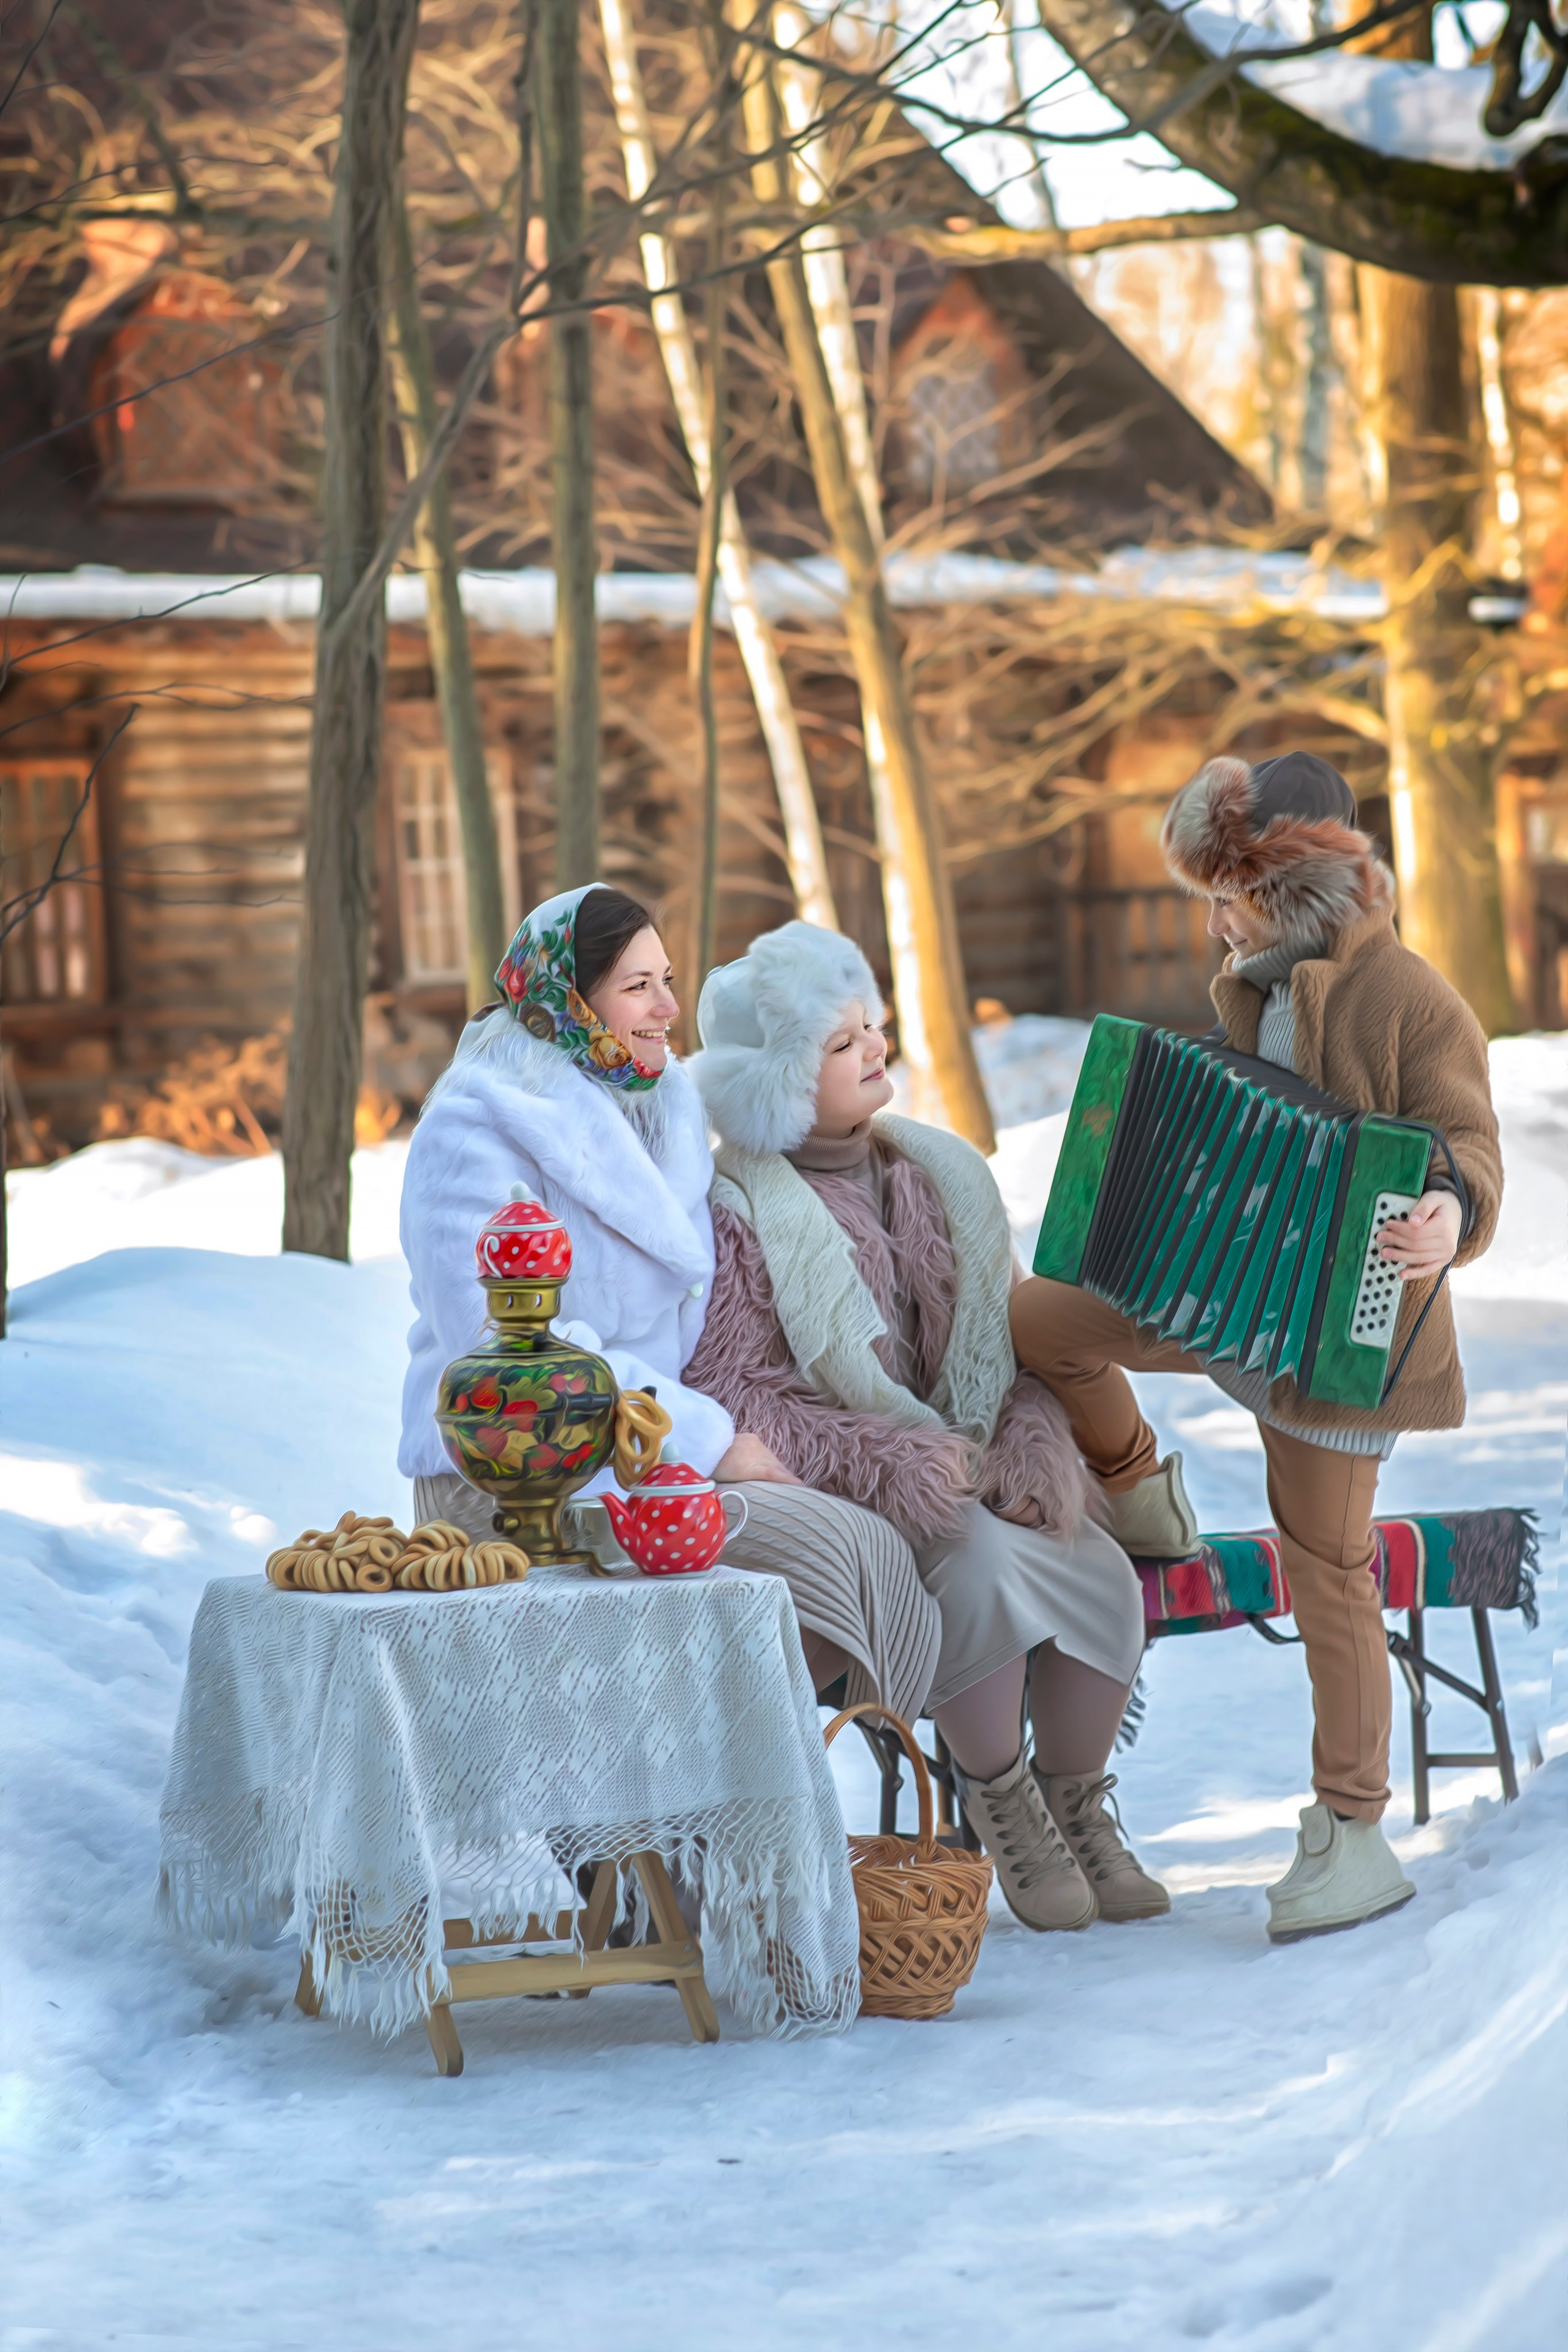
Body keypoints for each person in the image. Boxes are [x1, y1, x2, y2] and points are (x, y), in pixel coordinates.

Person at [1009, 752, 1504, 1943]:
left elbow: (1466, 1146)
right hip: (1227, 1302)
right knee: (1037, 1318)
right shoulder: (1251, 982)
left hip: (1344, 1331)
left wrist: (1447, 1211)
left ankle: (1351, 1827)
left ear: (1297, 893)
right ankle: (1140, 1491)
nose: (1213, 920)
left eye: (1231, 896)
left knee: (1324, 1570)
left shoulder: (1410, 999)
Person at [684, 921, 1167, 1934]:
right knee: (978, 1563)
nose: (874, 1048)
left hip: (974, 1464)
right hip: (851, 1496)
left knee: (1095, 1565)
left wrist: (1028, 1444)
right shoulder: (740, 1210)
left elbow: (1007, 1344)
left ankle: (1078, 1806)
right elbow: (741, 1390)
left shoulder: (939, 1175)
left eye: (872, 1026)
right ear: (774, 1080)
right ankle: (1002, 1801)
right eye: (839, 1041)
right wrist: (903, 1457)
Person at [398, 884, 938, 1741]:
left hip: (649, 1455)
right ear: (567, 1001)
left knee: (874, 1546)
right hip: (521, 1474)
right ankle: (678, 1813)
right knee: (842, 1550)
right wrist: (713, 1442)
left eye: (669, 979)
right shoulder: (475, 1125)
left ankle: (717, 1801)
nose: (668, 1008)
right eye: (638, 986)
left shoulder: (662, 1106)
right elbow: (509, 1351)